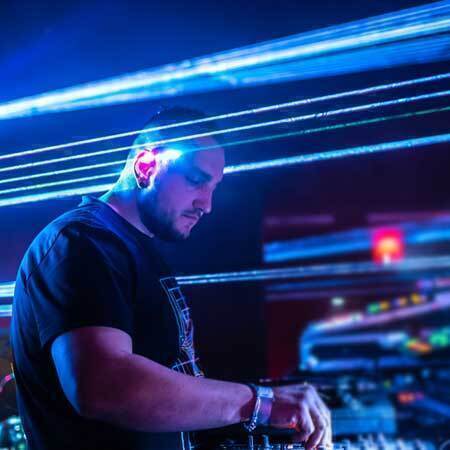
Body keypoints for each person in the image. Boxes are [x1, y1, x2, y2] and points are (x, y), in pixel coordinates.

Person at [10, 107, 332, 450]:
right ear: (145, 165)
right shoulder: (79, 243)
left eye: (214, 187)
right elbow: (104, 386)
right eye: (195, 180)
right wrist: (259, 403)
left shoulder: (139, 252)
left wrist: (262, 406)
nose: (207, 204)